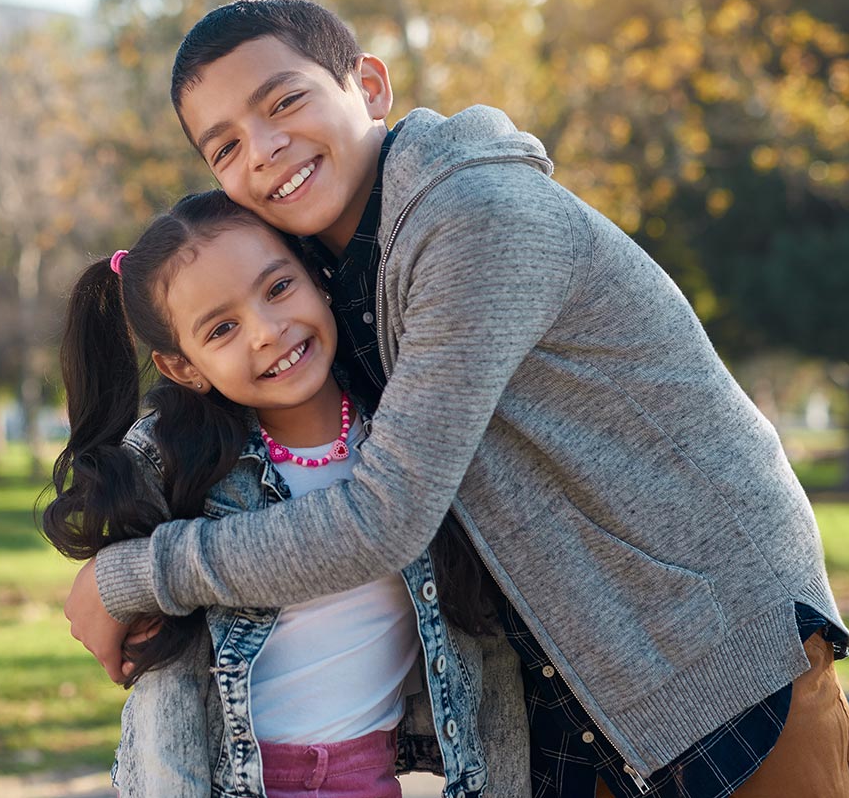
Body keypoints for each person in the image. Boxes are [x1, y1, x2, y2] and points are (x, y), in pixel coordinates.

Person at [65, 0, 849, 798]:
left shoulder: (475, 221)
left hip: (714, 655)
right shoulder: (313, 272)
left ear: (369, 86)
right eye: (226, 145)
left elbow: (387, 516)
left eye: (284, 101)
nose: (265, 150)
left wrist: (132, 576)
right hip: (572, 689)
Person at [42, 189, 528, 797]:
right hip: (226, 781)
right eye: (221, 329)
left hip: (367, 779)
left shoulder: (410, 438)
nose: (268, 332)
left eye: (277, 288)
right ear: (183, 367)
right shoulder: (173, 466)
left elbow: (487, 654)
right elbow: (158, 683)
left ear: (314, 277)